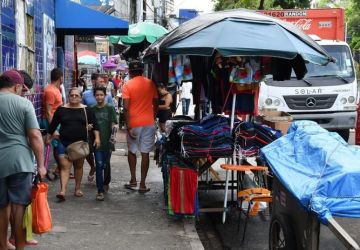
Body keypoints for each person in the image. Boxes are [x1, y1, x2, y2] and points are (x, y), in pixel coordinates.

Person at [0, 70, 46, 250]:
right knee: (19, 208)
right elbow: (35, 135)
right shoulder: (24, 104)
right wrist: (41, 165)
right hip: (20, 162)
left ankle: (3, 245)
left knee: (2, 207)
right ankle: (19, 246)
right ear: (17, 86)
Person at [46, 88, 100, 201]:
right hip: (63, 142)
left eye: (76, 95)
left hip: (79, 144)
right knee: (65, 166)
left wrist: (97, 138)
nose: (74, 97)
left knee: (78, 166)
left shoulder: (87, 110)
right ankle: (62, 191)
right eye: (72, 95)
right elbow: (53, 125)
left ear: (80, 97)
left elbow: (95, 125)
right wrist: (49, 137)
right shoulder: (61, 110)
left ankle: (77, 188)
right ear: (68, 96)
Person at [122, 60, 158, 193]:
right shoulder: (150, 83)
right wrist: (152, 115)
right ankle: (142, 184)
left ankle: (133, 180)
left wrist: (128, 125)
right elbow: (156, 102)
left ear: (130, 72)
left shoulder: (127, 85)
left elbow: (125, 108)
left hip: (134, 123)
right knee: (145, 153)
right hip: (148, 122)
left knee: (132, 151)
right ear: (142, 71)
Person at [82, 74, 113, 183]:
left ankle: (105, 182)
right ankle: (93, 166)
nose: (100, 83)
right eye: (99, 81)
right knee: (87, 151)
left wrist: (112, 131)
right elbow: (82, 110)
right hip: (90, 129)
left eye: (102, 82)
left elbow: (111, 113)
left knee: (105, 158)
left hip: (104, 130)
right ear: (93, 81)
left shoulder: (108, 96)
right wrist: (85, 124)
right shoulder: (85, 95)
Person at [92, 87, 117, 201]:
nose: (99, 97)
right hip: (97, 142)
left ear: (105, 95)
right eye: (97, 95)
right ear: (94, 96)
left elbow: (113, 123)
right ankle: (100, 190)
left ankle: (106, 181)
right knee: (99, 165)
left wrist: (113, 135)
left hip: (108, 141)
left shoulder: (110, 108)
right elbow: (90, 124)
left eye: (101, 95)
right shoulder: (92, 109)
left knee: (106, 164)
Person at [42, 68, 64, 180]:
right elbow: (49, 111)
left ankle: (61, 169)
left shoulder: (56, 89)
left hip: (57, 122)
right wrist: (53, 129)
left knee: (58, 145)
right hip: (52, 123)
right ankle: (61, 168)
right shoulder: (50, 91)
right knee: (57, 145)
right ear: (61, 77)